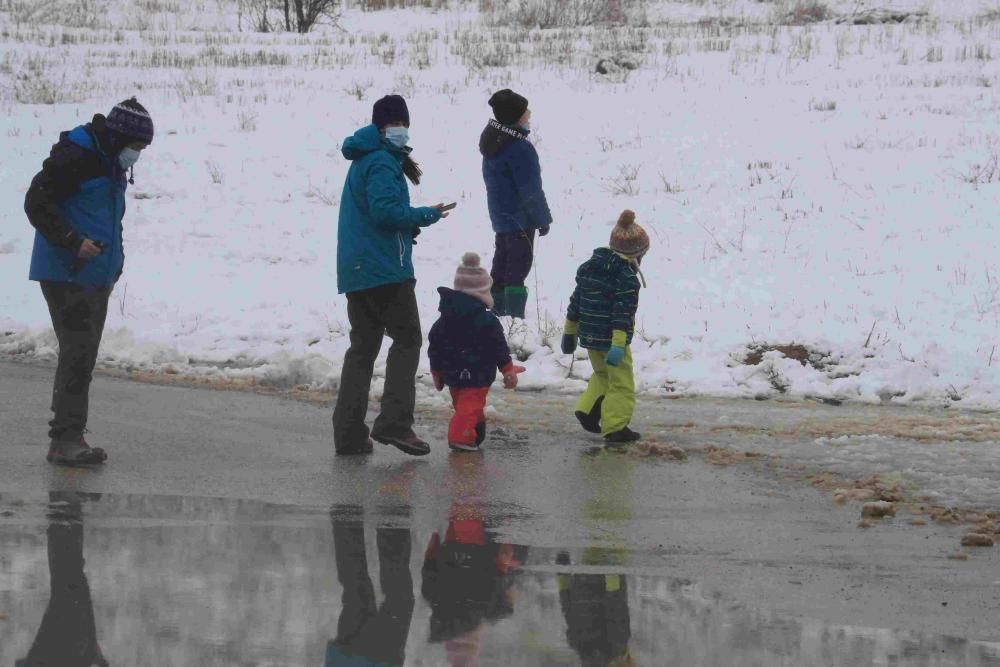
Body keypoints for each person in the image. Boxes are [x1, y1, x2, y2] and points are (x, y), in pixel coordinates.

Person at [24, 98, 154, 466]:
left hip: (95, 274)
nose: (138, 155)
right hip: (66, 271)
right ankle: (65, 439)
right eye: (137, 146)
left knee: (82, 356)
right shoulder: (77, 157)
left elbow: (111, 217)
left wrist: (117, 261)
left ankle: (70, 435)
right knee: (78, 354)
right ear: (120, 137)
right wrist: (72, 241)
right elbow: (36, 202)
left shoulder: (111, 162)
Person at [332, 94, 451, 457]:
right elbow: (386, 212)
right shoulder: (382, 162)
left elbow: (376, 216)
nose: (404, 131)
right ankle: (394, 423)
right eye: (401, 124)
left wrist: (406, 226)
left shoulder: (365, 159)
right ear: (387, 126)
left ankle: (349, 434)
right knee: (408, 340)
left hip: (358, 270)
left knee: (362, 350)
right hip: (384, 271)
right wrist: (425, 215)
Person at [561, 210, 649, 444]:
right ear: (636, 255)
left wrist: (570, 331)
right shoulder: (626, 278)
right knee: (621, 383)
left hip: (589, 336)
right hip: (612, 341)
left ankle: (588, 410)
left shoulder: (589, 268)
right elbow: (623, 314)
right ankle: (615, 428)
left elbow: (576, 301)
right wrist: (618, 345)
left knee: (602, 374)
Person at [427, 252, 525, 452]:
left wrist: (437, 372)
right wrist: (507, 369)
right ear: (483, 292)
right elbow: (499, 347)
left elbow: (434, 347)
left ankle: (475, 431)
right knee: (469, 406)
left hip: (452, 374)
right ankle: (460, 436)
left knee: (467, 405)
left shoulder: (444, 319)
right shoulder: (487, 320)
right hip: (478, 374)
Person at [479, 89, 553, 319]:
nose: (529, 114)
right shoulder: (519, 148)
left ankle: (495, 313)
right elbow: (530, 190)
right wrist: (542, 218)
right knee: (517, 269)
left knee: (501, 265)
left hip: (501, 219)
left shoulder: (493, 144)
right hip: (521, 220)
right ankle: (513, 319)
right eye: (524, 112)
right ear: (514, 117)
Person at [17, 492, 109, 667]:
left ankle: (66, 511)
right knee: (69, 583)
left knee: (69, 585)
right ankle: (65, 512)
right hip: (68, 652)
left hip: (65, 652)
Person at [326, 506, 414, 667]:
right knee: (356, 589)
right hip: (343, 659)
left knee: (399, 600)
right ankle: (346, 516)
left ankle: (392, 517)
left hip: (380, 658)